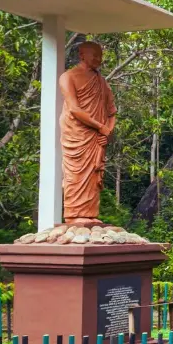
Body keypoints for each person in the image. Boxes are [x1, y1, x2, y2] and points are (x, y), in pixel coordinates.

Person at [59, 40, 115, 225]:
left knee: (93, 173)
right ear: (82, 55)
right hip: (76, 134)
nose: (99, 59)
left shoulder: (102, 82)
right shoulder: (68, 77)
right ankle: (74, 215)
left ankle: (90, 214)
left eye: (101, 56)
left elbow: (111, 112)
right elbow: (74, 109)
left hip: (96, 137)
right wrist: (100, 126)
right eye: (95, 55)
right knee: (75, 173)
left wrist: (106, 132)